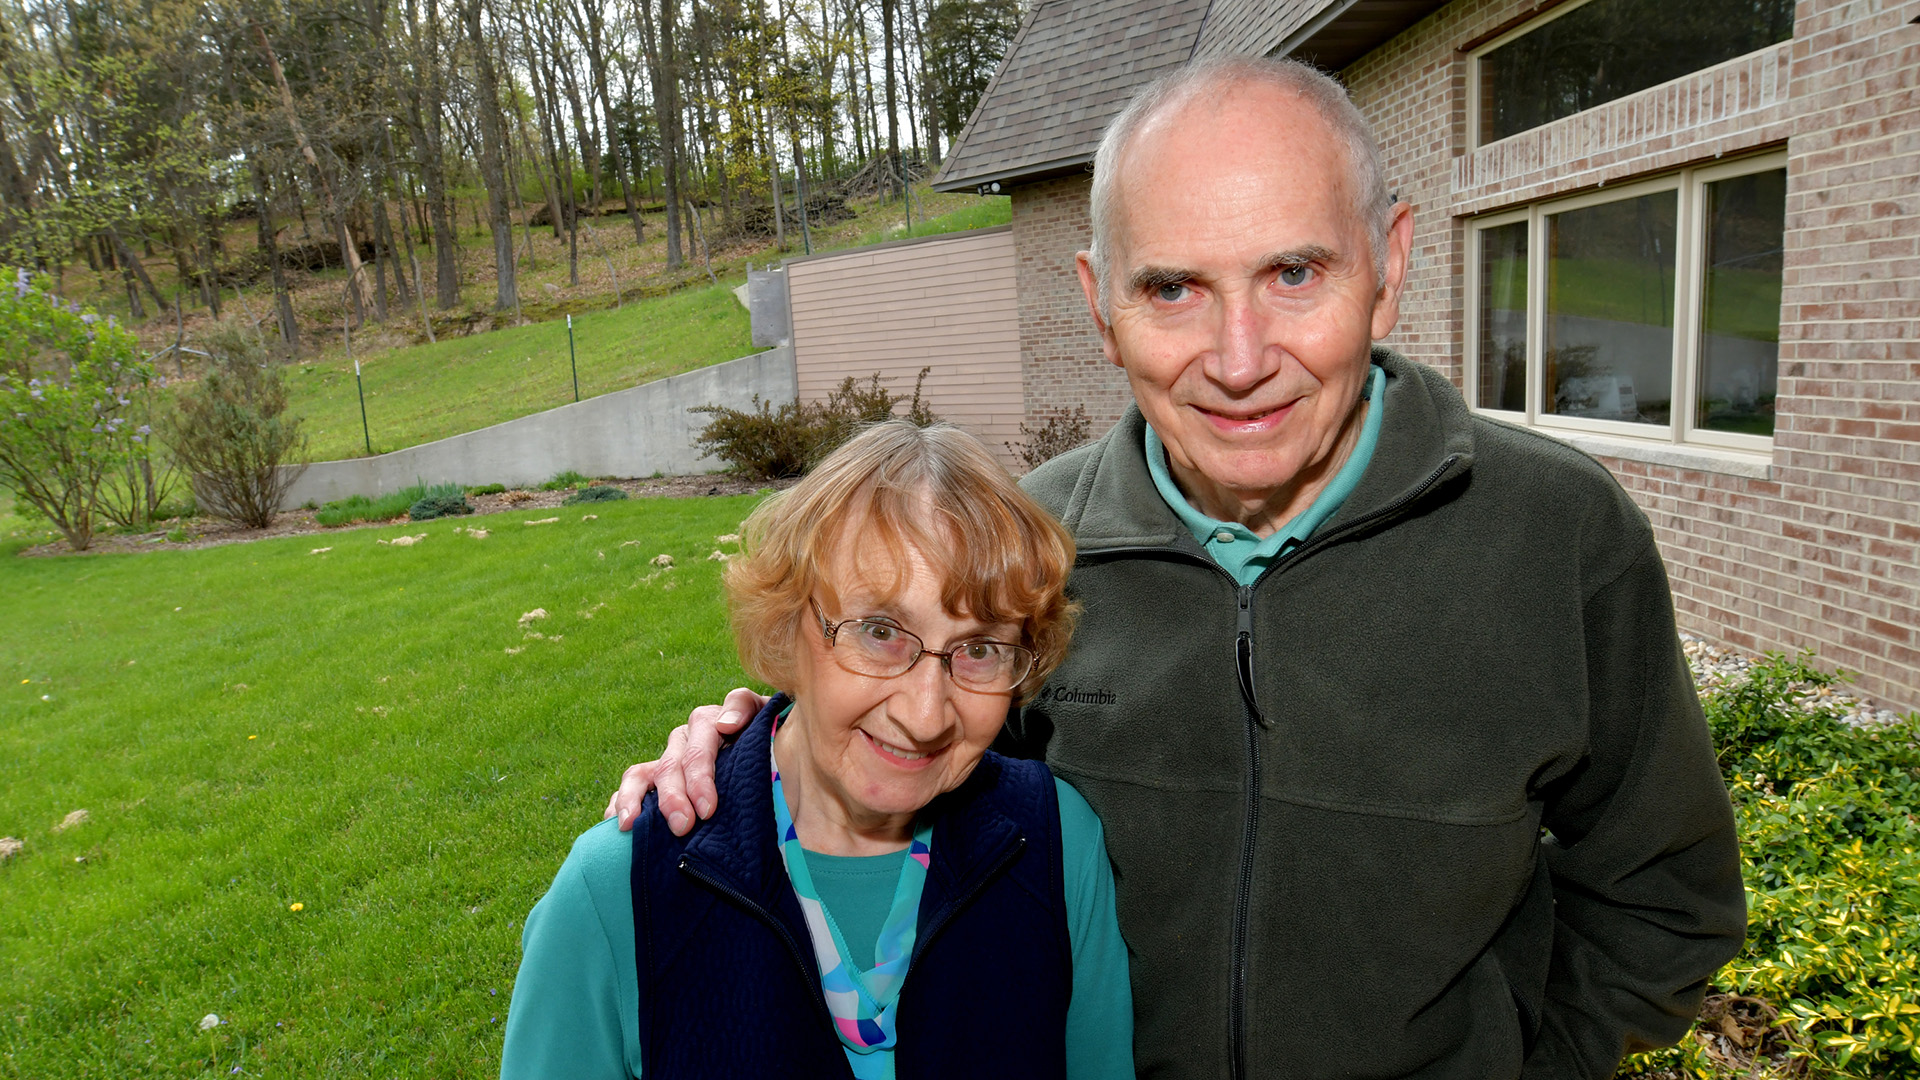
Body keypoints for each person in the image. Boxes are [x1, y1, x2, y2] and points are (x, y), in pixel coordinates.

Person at [607, 57, 1745, 1079]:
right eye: (1173, 289)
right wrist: (747, 761)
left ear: (1390, 265)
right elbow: (896, 762)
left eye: (1294, 272)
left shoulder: (1555, 536)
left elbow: (1666, 897)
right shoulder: (1025, 551)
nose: (1240, 361)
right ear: (1101, 305)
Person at [502, 420, 1134, 1080]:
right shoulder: (618, 893)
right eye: (882, 631)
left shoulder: (1058, 847)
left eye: (979, 649)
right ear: (786, 623)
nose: (924, 715)